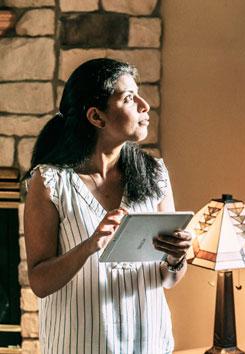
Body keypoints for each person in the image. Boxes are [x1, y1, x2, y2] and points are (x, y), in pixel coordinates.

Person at [23, 58, 192, 354]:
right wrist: (90, 245)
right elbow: (39, 281)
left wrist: (177, 258)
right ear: (96, 117)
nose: (144, 105)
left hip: (149, 343)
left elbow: (168, 279)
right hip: (77, 346)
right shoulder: (50, 182)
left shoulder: (155, 174)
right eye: (128, 98)